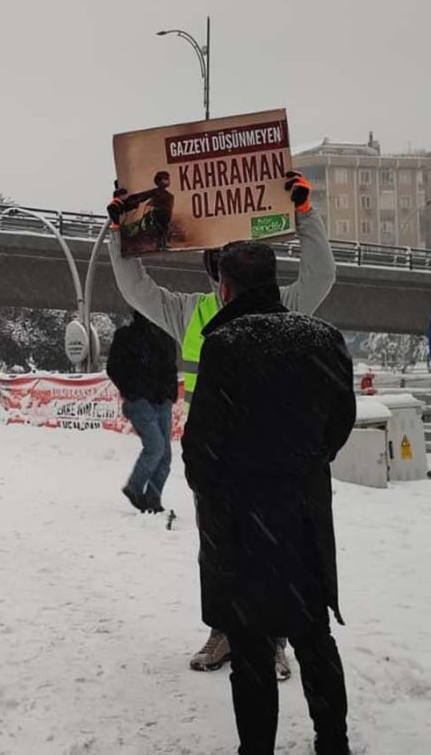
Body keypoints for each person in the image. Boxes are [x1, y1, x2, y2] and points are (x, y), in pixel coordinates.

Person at [108, 171, 335, 677]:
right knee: (218, 551)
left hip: (272, 457)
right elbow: (135, 287)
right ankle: (225, 630)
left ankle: (272, 638)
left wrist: (305, 214)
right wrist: (123, 232)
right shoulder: (192, 312)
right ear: (214, 268)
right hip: (216, 458)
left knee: (274, 550)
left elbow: (320, 276)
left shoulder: (284, 308)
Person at [182, 239, 356, 755]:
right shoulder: (323, 338)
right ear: (274, 282)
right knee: (314, 637)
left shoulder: (225, 346)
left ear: (225, 287)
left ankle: (256, 749)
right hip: (304, 519)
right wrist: (304, 464)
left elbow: (200, 446)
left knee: (252, 649)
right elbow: (340, 422)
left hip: (242, 526)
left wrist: (216, 495)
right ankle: (333, 743)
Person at [106, 310, 178, 514]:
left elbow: (171, 367)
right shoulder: (126, 336)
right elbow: (113, 368)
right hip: (139, 401)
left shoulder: (166, 336)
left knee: (164, 455)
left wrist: (169, 393)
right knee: (156, 447)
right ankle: (135, 488)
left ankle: (153, 498)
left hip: (162, 400)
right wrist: (132, 391)